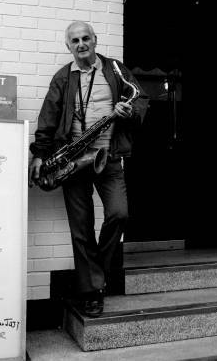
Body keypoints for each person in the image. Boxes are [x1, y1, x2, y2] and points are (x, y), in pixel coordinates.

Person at [28, 21, 147, 317]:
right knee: (80, 230)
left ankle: (94, 273)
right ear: (67, 45)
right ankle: (93, 291)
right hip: (73, 161)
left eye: (85, 39)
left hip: (110, 157)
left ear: (95, 40)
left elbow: (141, 99)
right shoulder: (62, 78)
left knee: (119, 214)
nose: (81, 44)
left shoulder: (115, 70)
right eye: (74, 40)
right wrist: (40, 155)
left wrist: (129, 111)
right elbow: (48, 119)